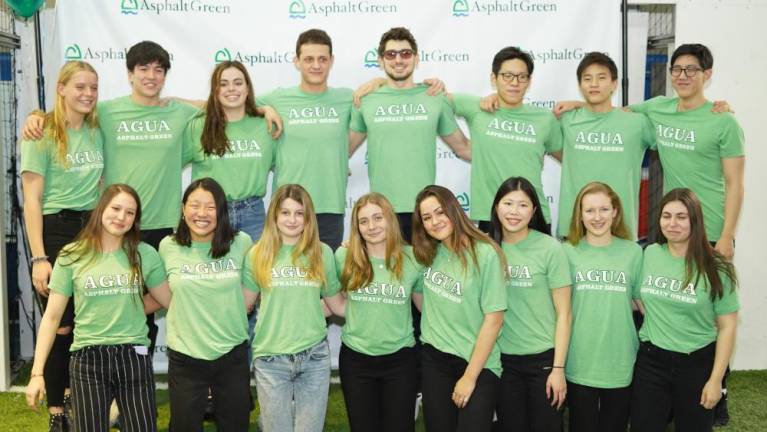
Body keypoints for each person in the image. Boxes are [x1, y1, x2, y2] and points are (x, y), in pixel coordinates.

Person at [24, 40, 199, 353]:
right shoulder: (104, 112)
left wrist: (263, 108)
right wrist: (36, 116)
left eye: (159, 70)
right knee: (106, 308)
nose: (151, 76)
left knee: (145, 313)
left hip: (162, 227)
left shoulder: (179, 112)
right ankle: (90, 382)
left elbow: (221, 104)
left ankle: (138, 377)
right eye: (143, 68)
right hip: (118, 227)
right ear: (129, 74)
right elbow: (66, 112)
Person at [25, 184, 167, 432]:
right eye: (116, 208)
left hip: (134, 357)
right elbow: (52, 318)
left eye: (130, 213)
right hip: (87, 361)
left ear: (135, 220)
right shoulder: (71, 254)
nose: (121, 217)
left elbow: (168, 300)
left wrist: (128, 307)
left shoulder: (145, 254)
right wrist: (37, 374)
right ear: (101, 209)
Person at [20, 60, 103, 431]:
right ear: (62, 89)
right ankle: (57, 414)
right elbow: (32, 200)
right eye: (80, 87)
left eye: (93, 88)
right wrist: (39, 257)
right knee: (61, 326)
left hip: (92, 231)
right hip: (55, 232)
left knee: (84, 326)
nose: (87, 94)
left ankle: (74, 402)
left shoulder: (98, 129)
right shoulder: (41, 134)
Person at [143, 178, 253, 431]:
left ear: (221, 211)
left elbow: (258, 279)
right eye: (194, 205)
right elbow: (160, 295)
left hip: (232, 354)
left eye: (211, 207)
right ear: (183, 209)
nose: (201, 214)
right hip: (186, 357)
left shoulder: (242, 243)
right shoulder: (168, 246)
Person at [631, 188, 738, 432]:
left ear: (695, 220)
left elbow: (728, 327)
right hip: (651, 361)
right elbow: (638, 298)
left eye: (681, 216)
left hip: (696, 364)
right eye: (666, 216)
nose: (673, 223)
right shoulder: (649, 254)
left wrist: (715, 380)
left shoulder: (717, 267)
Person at [350, 27, 471, 242]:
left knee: (427, 275)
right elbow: (343, 150)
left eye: (405, 53)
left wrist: (510, 156)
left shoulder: (434, 97)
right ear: (380, 60)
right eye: (391, 54)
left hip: (425, 212)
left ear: (416, 59)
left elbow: (463, 147)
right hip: (382, 213)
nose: (398, 60)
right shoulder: (365, 100)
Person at [629, 44, 744, 261]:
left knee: (708, 294)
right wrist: (577, 104)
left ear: (707, 74)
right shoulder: (658, 107)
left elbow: (735, 183)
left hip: (710, 230)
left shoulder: (724, 121)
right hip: (673, 228)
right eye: (677, 69)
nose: (682, 76)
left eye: (691, 70)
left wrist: (727, 235)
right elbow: (615, 114)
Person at [242, 184, 343, 432]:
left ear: (308, 218)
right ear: (274, 215)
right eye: (285, 212)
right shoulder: (257, 254)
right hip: (270, 358)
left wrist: (377, 300)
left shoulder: (322, 253)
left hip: (314, 357)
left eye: (299, 213)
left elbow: (337, 305)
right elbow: (243, 305)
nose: (292, 219)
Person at [324, 193, 424, 432]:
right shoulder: (344, 257)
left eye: (378, 218)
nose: (371, 226)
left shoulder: (412, 259)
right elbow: (335, 304)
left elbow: (425, 308)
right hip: (356, 361)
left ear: (390, 219)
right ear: (356, 227)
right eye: (364, 221)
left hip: (400, 361)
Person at [411, 185, 506, 431]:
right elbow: (417, 292)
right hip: (435, 359)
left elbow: (494, 319)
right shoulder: (427, 253)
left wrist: (469, 377)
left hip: (477, 362)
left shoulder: (485, 254)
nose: (435, 221)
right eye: (427, 217)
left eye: (440, 212)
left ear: (454, 210)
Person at [488, 176, 572, 431]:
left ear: (534, 210)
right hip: (503, 362)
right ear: (496, 207)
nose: (514, 212)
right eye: (508, 203)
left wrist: (558, 369)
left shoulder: (550, 249)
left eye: (523, 205)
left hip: (543, 361)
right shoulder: (487, 249)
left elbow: (565, 314)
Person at [257, 29, 352, 250]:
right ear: (296, 62)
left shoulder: (347, 98)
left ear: (331, 61)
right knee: (282, 279)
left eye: (322, 59)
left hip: (330, 208)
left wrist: (374, 81)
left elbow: (382, 93)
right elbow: (228, 103)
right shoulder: (278, 98)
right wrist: (263, 108)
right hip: (287, 209)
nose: (316, 65)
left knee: (327, 281)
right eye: (309, 59)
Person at [452, 46, 562, 233]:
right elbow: (434, 99)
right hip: (491, 216)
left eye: (522, 77)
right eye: (507, 76)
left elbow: (569, 159)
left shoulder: (545, 119)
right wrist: (383, 82)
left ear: (529, 81)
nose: (515, 83)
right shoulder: (478, 108)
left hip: (535, 216)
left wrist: (580, 104)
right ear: (494, 79)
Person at [563, 182, 643, 432]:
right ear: (580, 214)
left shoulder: (633, 252)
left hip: (620, 360)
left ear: (615, 212)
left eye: (604, 209)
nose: (597, 217)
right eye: (589, 211)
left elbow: (643, 304)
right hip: (578, 359)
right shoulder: (566, 252)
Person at [557, 52, 655, 240]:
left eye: (601, 78)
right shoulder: (566, 119)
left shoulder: (636, 123)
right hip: (575, 227)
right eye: (587, 78)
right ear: (580, 85)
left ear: (614, 83)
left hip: (620, 228)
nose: (594, 84)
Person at [188, 60, 276, 241]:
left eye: (238, 83)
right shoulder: (197, 126)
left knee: (253, 269)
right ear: (215, 90)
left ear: (247, 87)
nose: (231, 89)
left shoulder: (266, 125)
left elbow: (287, 163)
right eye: (223, 84)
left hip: (253, 215)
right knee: (214, 270)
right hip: (211, 214)